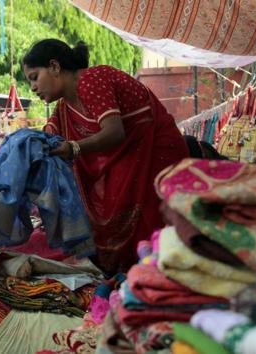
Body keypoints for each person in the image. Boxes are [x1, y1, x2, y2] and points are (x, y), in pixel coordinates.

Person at [23, 39, 189, 274]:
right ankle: (135, 280)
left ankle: (155, 278)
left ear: (54, 67)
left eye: (34, 77)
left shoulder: (91, 80)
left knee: (155, 228)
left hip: (155, 155)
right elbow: (48, 140)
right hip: (130, 161)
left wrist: (74, 149)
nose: (32, 88)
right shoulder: (64, 108)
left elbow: (114, 132)